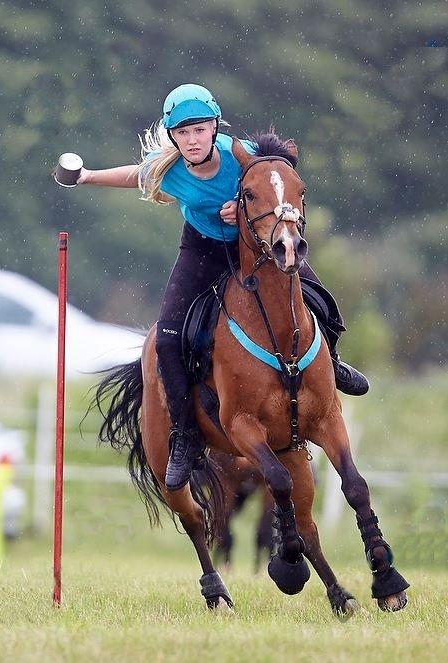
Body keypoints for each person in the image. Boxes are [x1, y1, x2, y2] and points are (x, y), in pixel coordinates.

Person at [74, 83, 369, 492]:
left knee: (319, 300)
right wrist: (85, 176)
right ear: (173, 136)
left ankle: (331, 363)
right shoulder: (169, 169)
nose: (192, 140)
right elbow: (132, 175)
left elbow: (275, 179)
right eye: (182, 133)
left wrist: (242, 205)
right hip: (202, 252)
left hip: (256, 246)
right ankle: (184, 436)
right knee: (168, 338)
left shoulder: (241, 152)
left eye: (199, 130)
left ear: (215, 128)